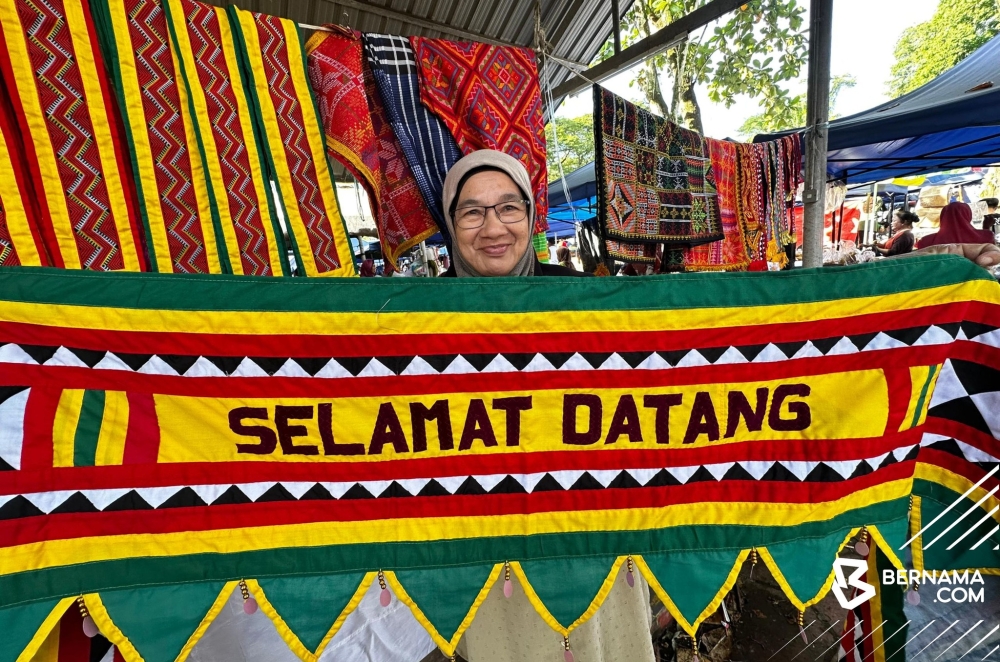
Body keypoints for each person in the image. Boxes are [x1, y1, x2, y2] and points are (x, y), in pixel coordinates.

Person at [440, 150, 588, 278]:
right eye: (472, 212)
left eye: (509, 208)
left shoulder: (588, 299)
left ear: (530, 217)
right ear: (451, 224)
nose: (493, 231)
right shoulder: (422, 306)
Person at [917, 201, 995, 249]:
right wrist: (986, 228)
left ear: (943, 216)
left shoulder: (926, 241)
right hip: (978, 276)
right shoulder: (986, 236)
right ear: (968, 215)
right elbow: (990, 252)